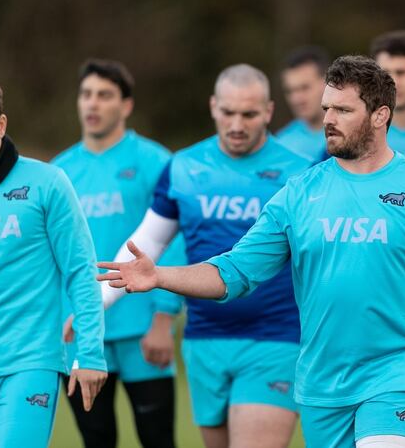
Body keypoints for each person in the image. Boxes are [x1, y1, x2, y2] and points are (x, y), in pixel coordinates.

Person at [98, 55, 405, 448]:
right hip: (322, 385)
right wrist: (160, 276)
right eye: (326, 107)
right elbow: (233, 273)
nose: (328, 119)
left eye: (343, 110)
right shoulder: (299, 194)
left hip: (401, 377)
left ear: (379, 115)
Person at [98, 63, 312, 448]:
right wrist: (94, 305)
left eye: (248, 114)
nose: (237, 124)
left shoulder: (300, 172)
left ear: (268, 111)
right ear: (213, 106)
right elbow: (146, 243)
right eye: (228, 112)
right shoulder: (182, 168)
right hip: (204, 340)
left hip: (277, 338)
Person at [0, 71, 107, 448]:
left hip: (31, 360)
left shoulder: (47, 183)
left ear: (0, 125)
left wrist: (91, 353)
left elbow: (81, 271)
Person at [53, 59, 184, 448]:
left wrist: (164, 318)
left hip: (143, 330)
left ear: (125, 105)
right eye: (86, 94)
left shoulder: (156, 161)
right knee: (96, 441)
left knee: (158, 440)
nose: (92, 104)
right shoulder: (58, 172)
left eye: (104, 95)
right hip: (79, 330)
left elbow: (173, 240)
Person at [276, 45, 330, 161]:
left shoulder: (352, 133)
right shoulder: (282, 144)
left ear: (327, 82)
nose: (296, 99)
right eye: (290, 91)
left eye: (304, 88)